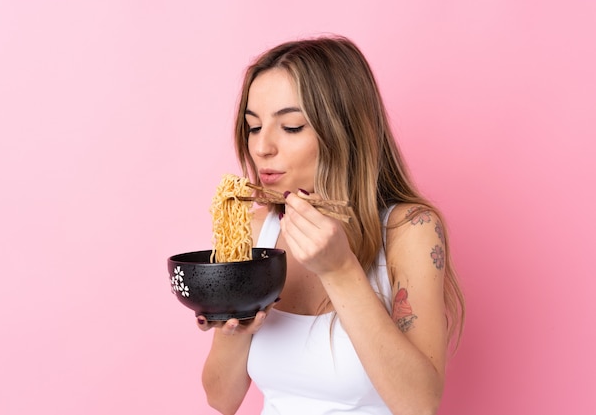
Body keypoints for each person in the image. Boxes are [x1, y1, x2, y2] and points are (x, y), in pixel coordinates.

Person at [197, 35, 465, 415]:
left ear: (345, 130)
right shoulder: (256, 230)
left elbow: (419, 405)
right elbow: (221, 399)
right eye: (254, 127)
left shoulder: (410, 229)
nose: (261, 147)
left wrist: (339, 270)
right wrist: (234, 326)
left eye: (290, 127)